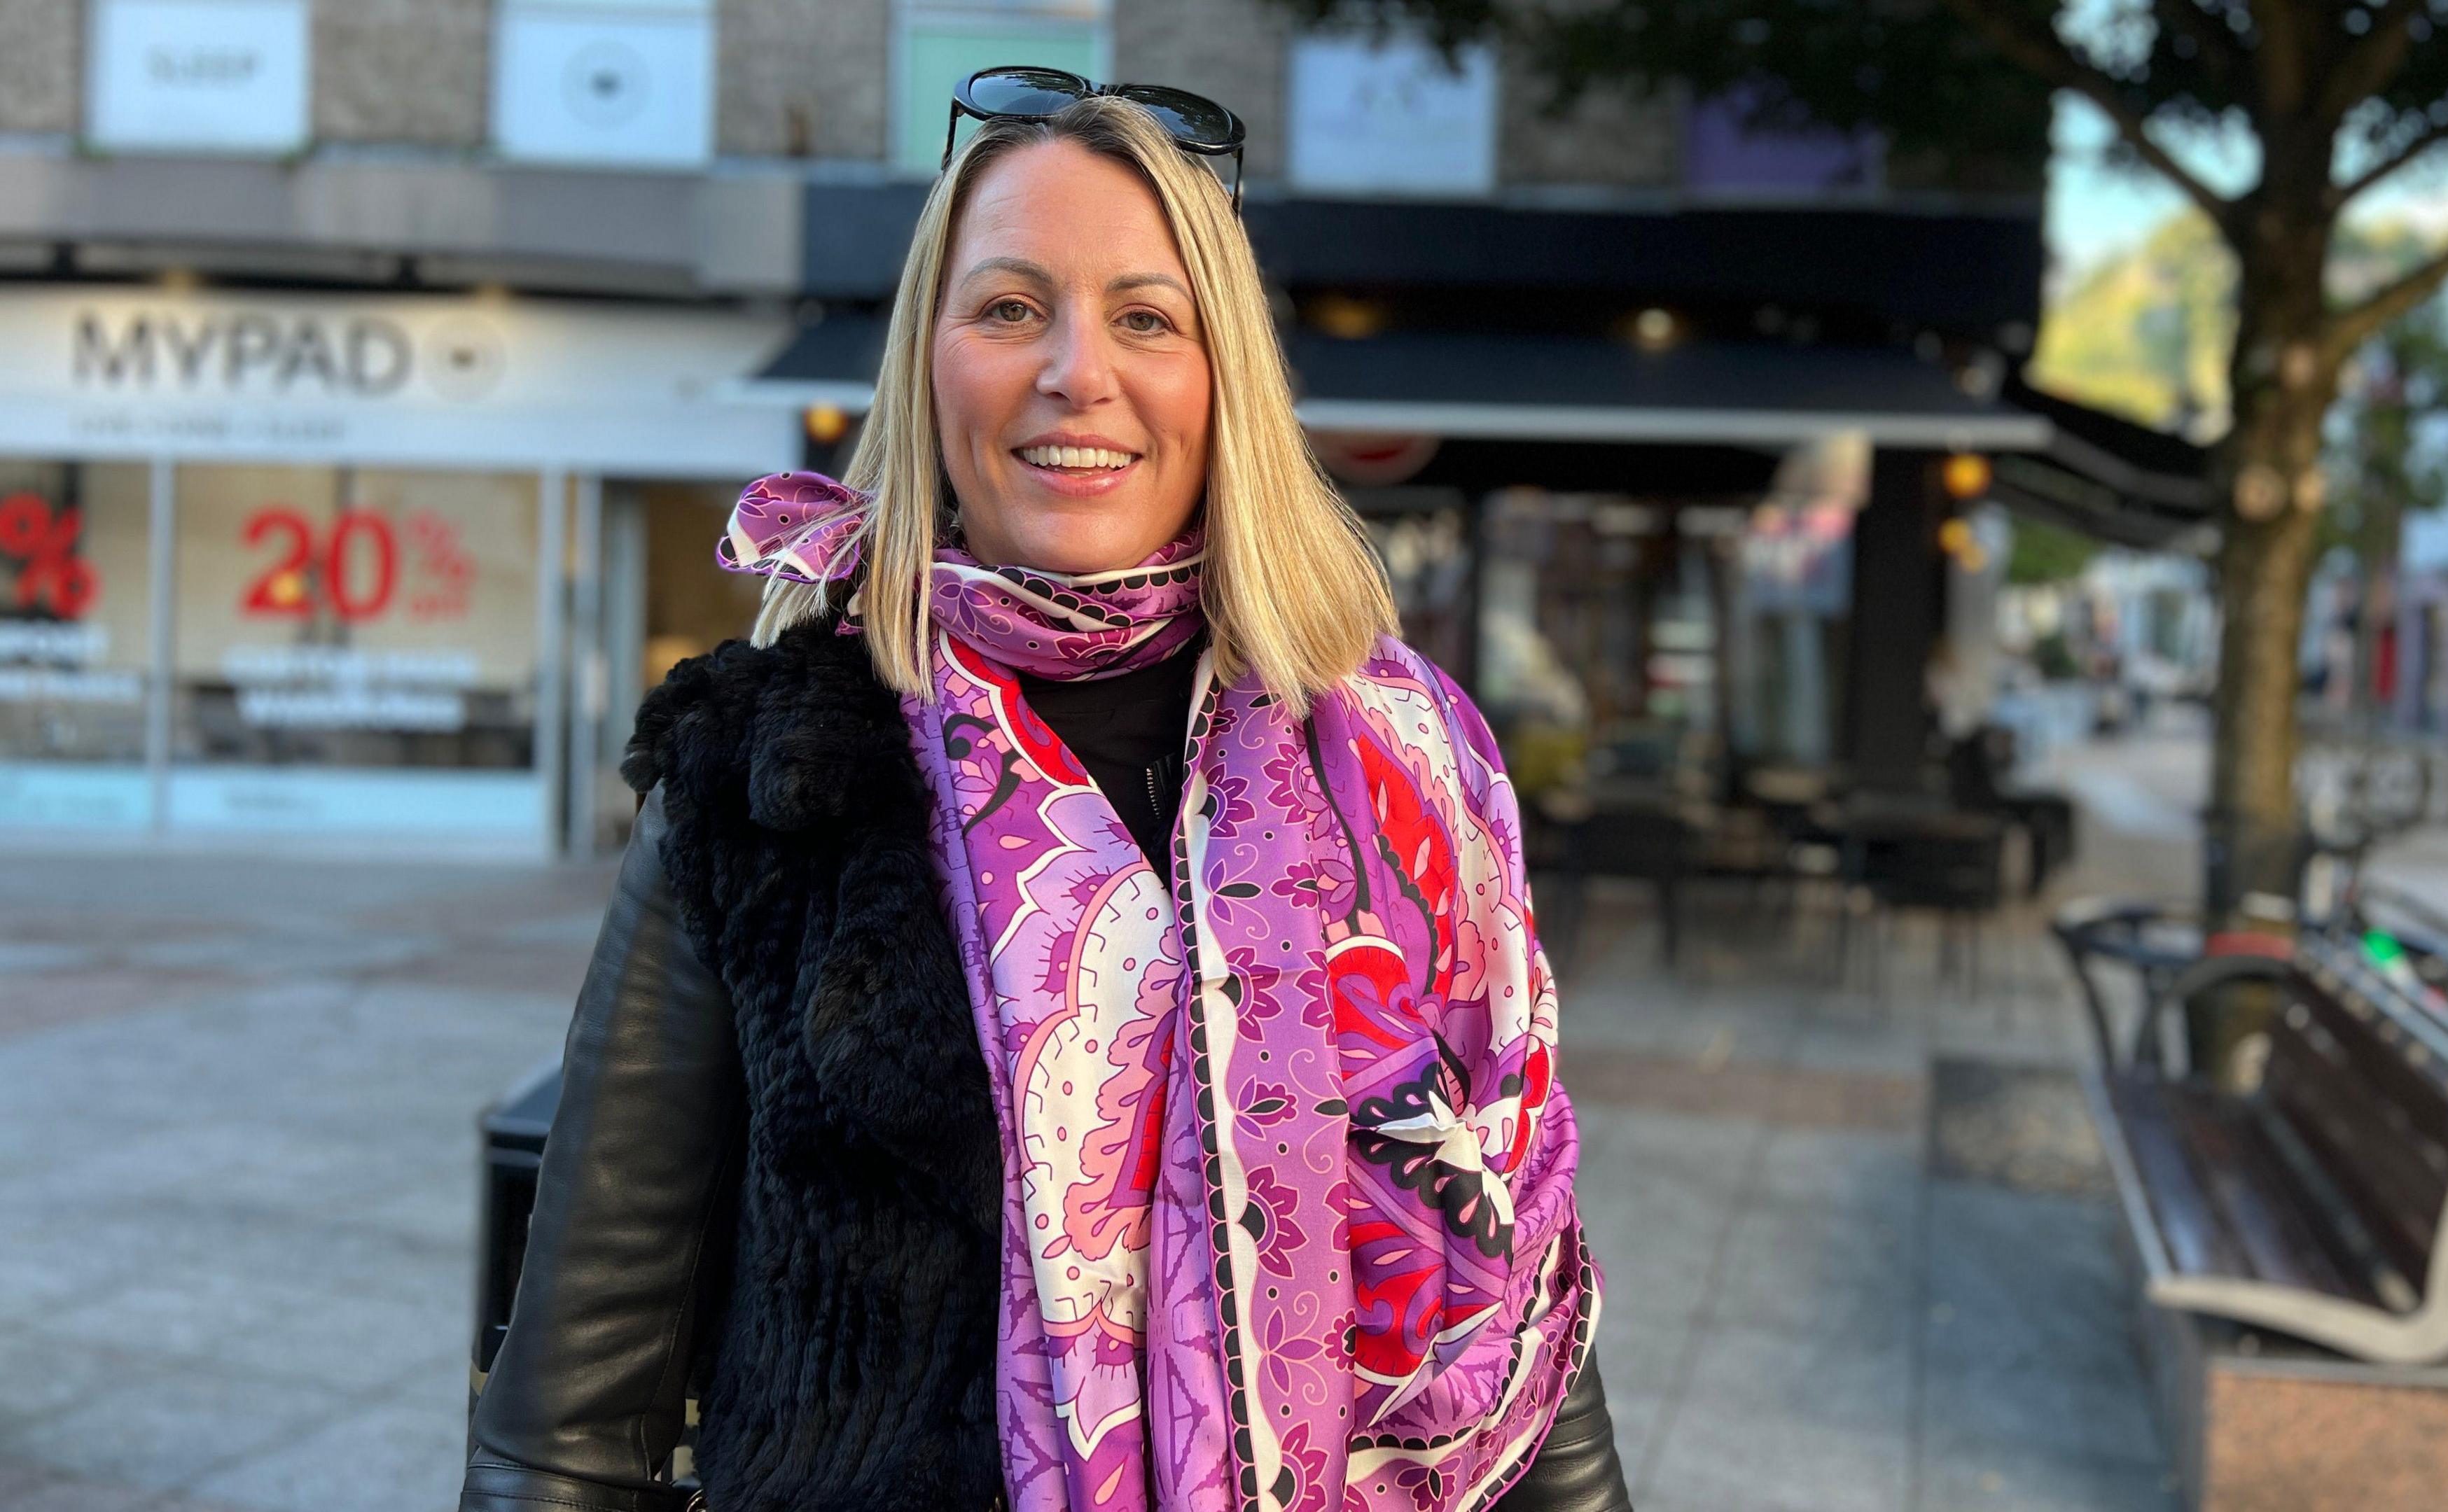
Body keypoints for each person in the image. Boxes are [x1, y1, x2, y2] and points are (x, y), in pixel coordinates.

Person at [460, 80, 1627, 1512]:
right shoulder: (762, 774)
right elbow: (571, 1419)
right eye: (1011, 308)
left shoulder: (1405, 774)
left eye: (1147, 316)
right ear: (928, 361)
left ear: (1223, 379)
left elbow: (1525, 1333)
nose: (1079, 371)